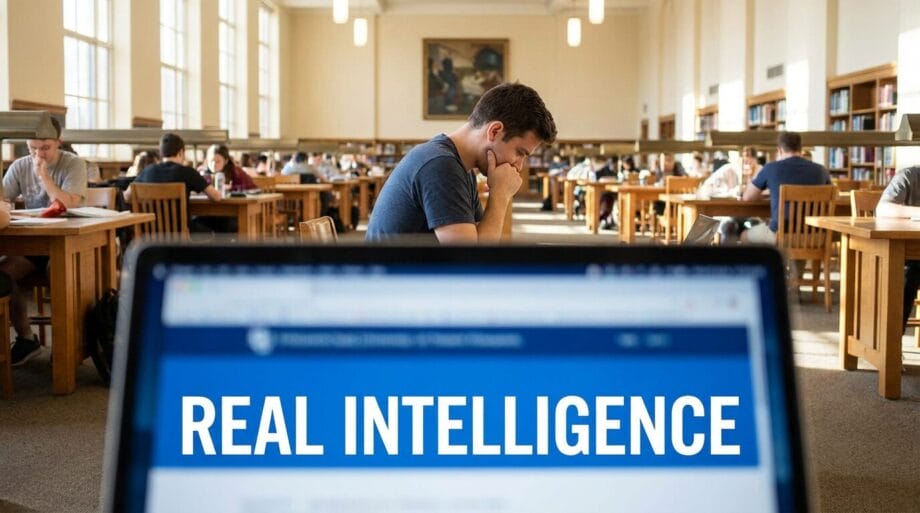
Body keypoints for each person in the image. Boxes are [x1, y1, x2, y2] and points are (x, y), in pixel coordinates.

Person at [366, 82, 557, 243]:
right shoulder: (440, 165)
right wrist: (500, 195)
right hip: (394, 285)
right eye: (520, 152)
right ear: (495, 131)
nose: (519, 165)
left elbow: (480, 241)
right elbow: (470, 261)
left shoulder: (461, 168)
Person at [0, 117, 88, 365]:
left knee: (59, 273)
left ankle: (66, 344)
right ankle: (27, 340)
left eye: (45, 148)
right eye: (33, 148)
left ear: (59, 142)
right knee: (4, 272)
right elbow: (3, 198)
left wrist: (44, 176)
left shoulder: (74, 165)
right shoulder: (19, 166)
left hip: (68, 245)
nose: (38, 154)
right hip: (32, 244)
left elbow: (68, 204)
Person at [740, 131, 831, 244]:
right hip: (815, 236)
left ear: (779, 150)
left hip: (780, 234)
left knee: (744, 236)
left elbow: (747, 197)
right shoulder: (821, 170)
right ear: (800, 149)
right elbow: (832, 198)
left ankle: (769, 261)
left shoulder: (771, 168)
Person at [130, 133, 221, 233]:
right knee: (213, 231)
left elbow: (126, 196)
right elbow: (216, 197)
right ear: (181, 152)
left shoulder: (147, 171)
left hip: (149, 239)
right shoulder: (188, 172)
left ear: (161, 153)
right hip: (179, 237)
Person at [875, 166, 920, 330]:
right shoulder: (909, 175)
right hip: (909, 253)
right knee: (911, 271)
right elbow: (883, 209)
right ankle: (894, 338)